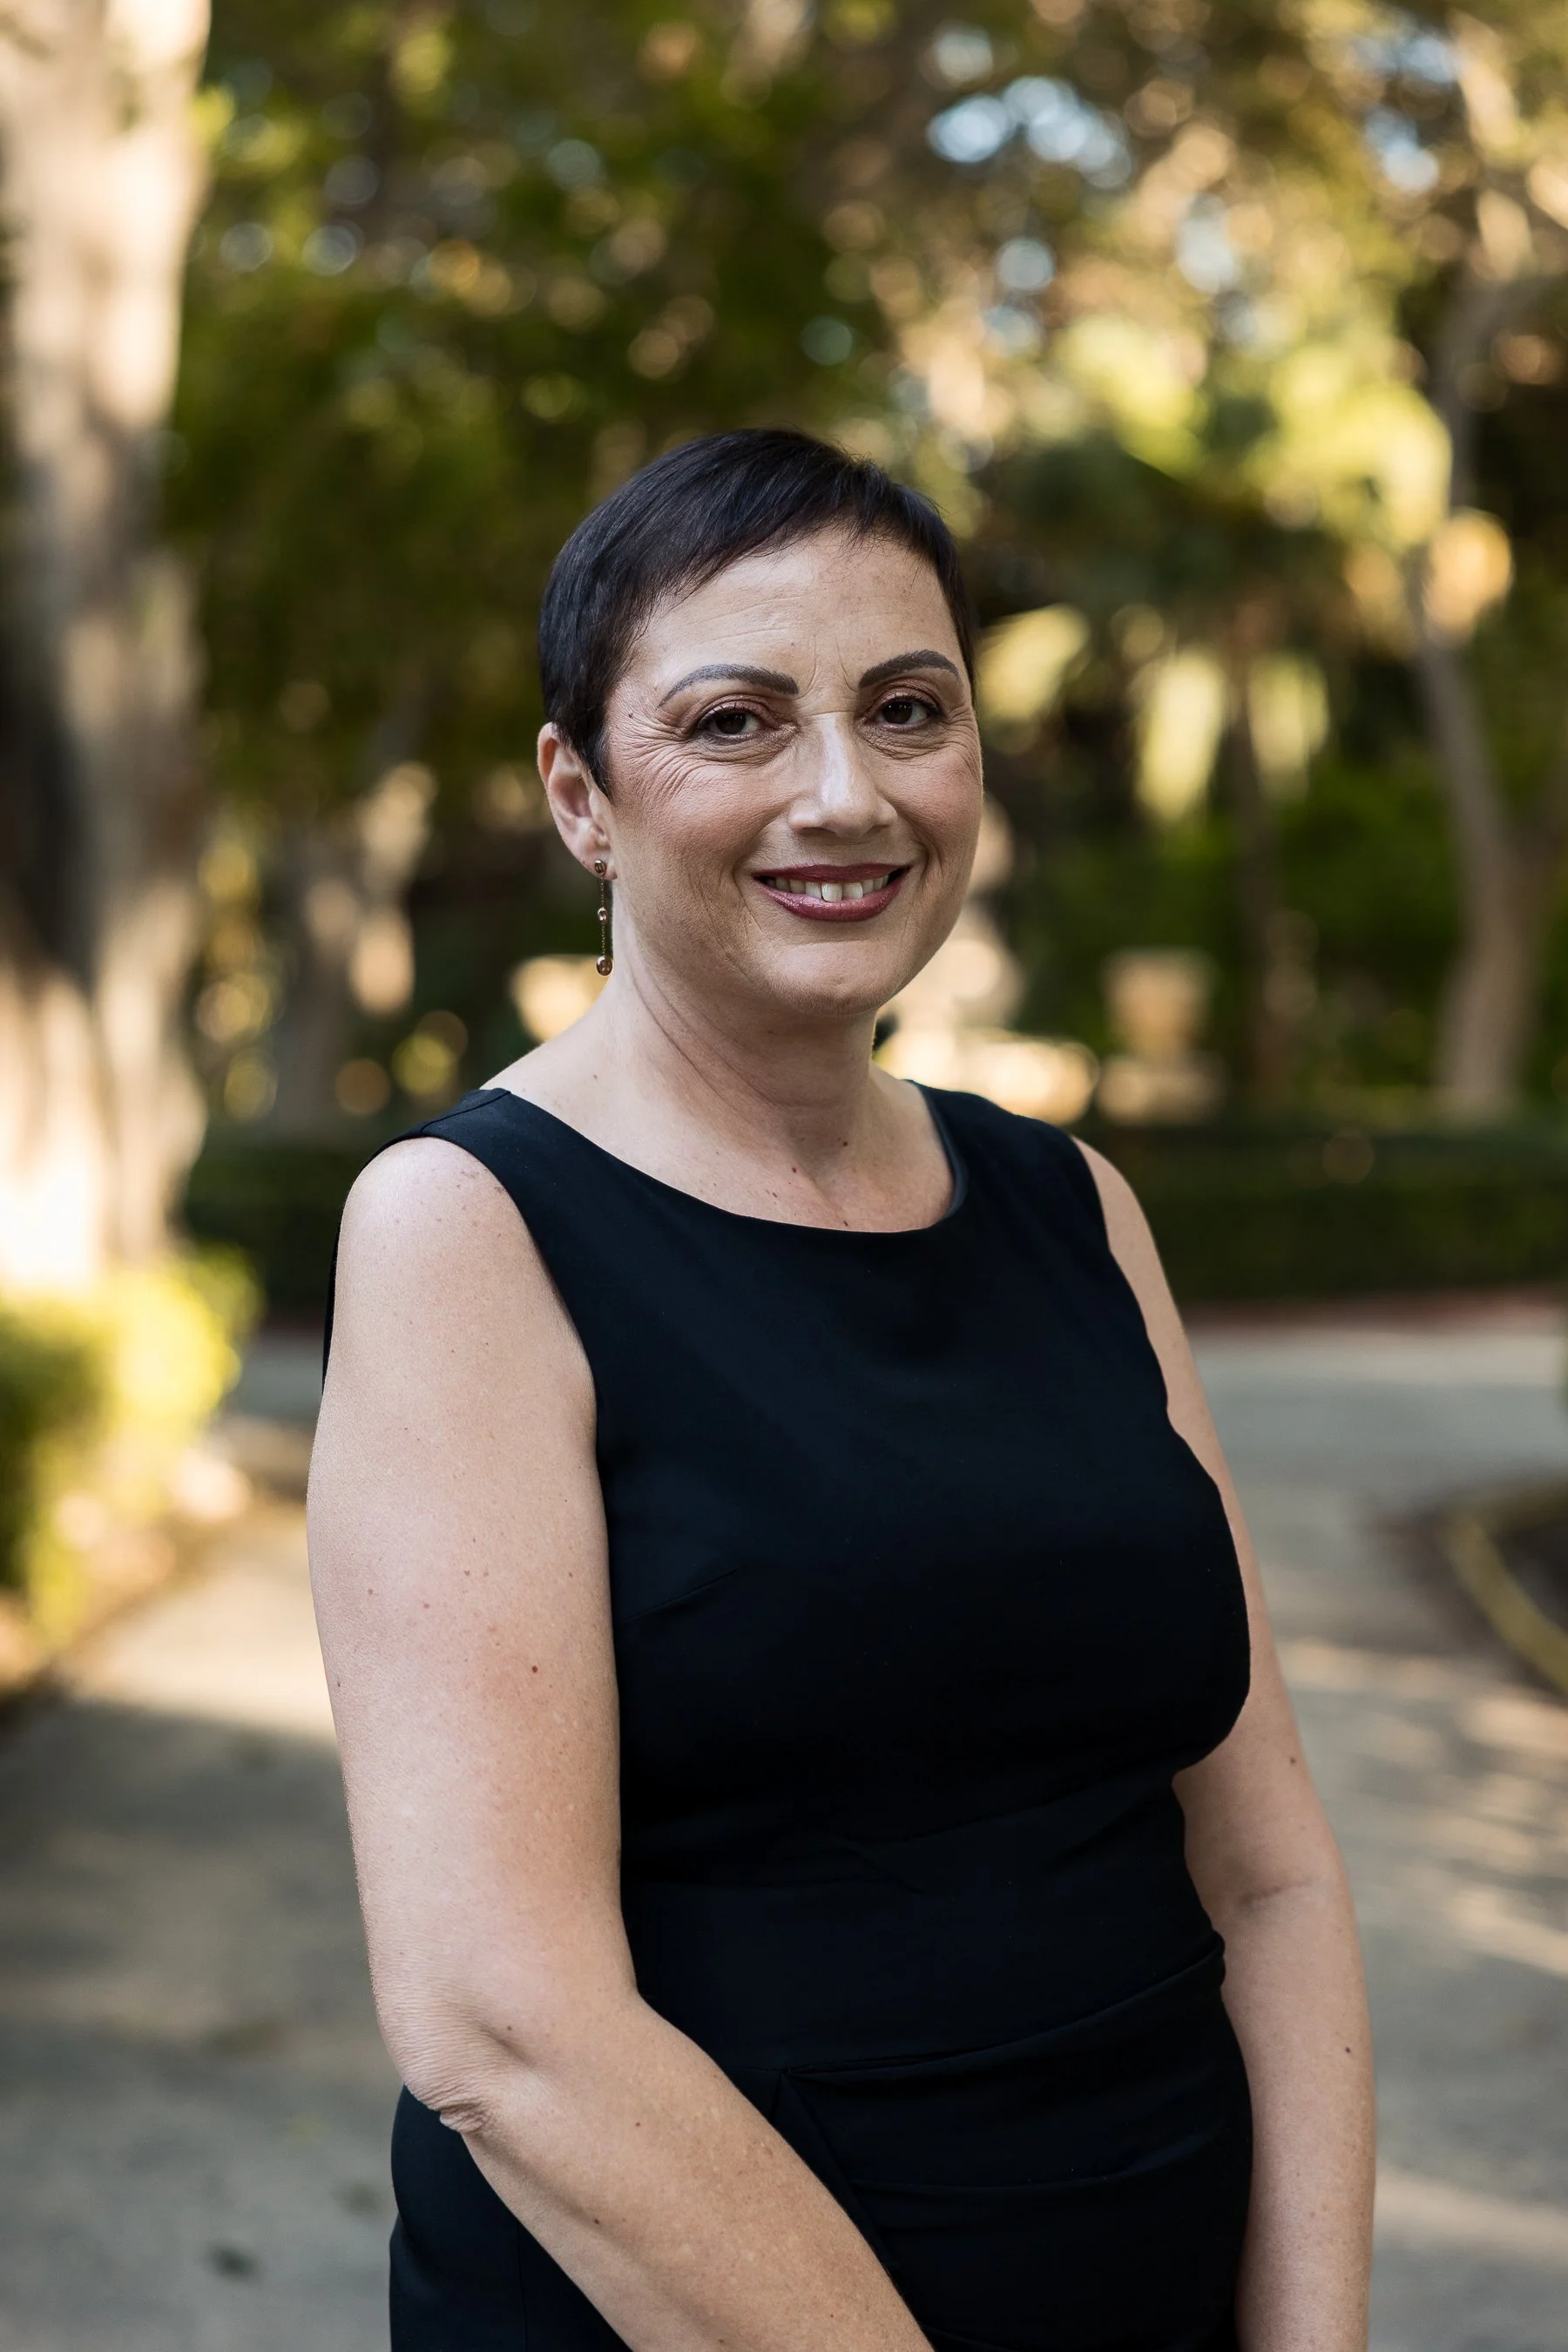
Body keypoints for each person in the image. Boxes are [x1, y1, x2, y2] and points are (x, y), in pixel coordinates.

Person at [308, 428, 1375, 2352]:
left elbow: (1273, 1870)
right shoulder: (466, 1232)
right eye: (734, 721)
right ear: (582, 794)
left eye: (908, 709)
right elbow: (502, 2026)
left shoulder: (1070, 1205)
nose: (844, 794)